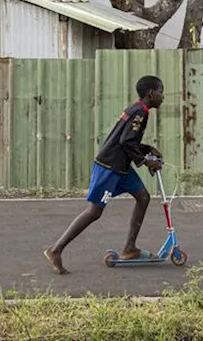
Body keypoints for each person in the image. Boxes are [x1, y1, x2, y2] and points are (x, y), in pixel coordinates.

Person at [43, 75, 164, 275]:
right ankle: (55, 249)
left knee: (143, 197)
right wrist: (145, 161)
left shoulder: (136, 108)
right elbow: (126, 141)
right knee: (94, 211)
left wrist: (147, 148)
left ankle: (129, 249)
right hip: (110, 167)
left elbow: (127, 140)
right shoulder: (140, 113)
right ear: (151, 93)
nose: (163, 97)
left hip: (121, 166)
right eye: (161, 91)